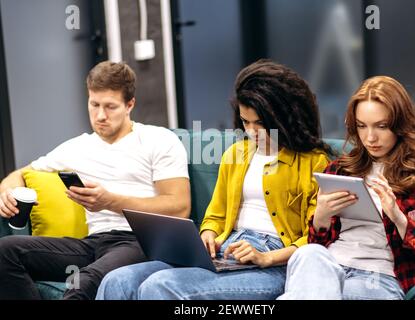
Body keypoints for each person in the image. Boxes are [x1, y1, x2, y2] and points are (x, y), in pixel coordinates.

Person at [95, 59, 330, 300]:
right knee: (118, 281)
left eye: (260, 123)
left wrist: (266, 257)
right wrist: (208, 235)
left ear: (283, 118)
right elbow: (215, 216)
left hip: (274, 263)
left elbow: (316, 239)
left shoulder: (314, 162)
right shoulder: (236, 154)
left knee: (160, 286)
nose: (251, 131)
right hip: (228, 252)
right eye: (245, 122)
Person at [0, 61, 191, 300]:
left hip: (141, 240)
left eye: (110, 107)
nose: (100, 115)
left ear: (129, 104)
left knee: (83, 282)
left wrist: (110, 202)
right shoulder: (78, 146)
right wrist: (9, 192)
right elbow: (17, 174)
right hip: (93, 244)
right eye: (94, 105)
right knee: (6, 251)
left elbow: (180, 208)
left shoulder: (158, 140)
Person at [278, 76, 415, 300]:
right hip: (329, 267)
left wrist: (399, 218)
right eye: (361, 126)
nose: (370, 138)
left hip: (379, 277)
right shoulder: (338, 170)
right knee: (309, 253)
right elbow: (317, 242)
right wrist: (320, 216)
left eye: (382, 126)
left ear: (401, 125)